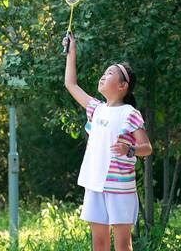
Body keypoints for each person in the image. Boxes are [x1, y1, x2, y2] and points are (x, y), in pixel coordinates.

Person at [63, 32, 152, 251]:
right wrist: (71, 50)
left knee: (123, 246)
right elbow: (70, 84)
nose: (103, 76)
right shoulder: (96, 109)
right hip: (95, 184)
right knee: (99, 244)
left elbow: (147, 148)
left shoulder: (130, 113)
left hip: (120, 188)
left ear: (123, 86)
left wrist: (130, 149)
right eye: (104, 73)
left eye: (110, 73)